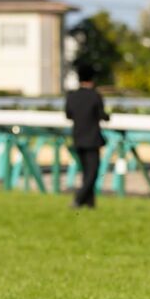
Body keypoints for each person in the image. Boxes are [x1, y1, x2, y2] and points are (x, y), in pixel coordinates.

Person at [64, 64, 110, 209]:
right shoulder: (95, 96)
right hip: (92, 139)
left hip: (78, 137)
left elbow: (68, 115)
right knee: (93, 172)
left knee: (85, 171)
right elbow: (102, 115)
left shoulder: (72, 96)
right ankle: (78, 199)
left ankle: (90, 203)